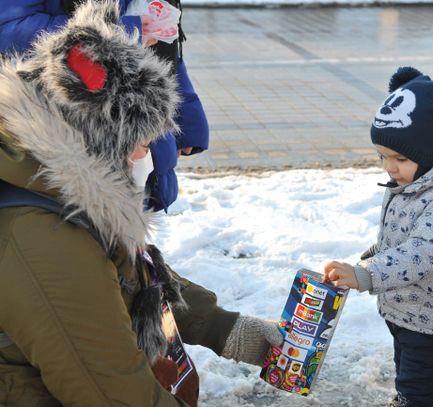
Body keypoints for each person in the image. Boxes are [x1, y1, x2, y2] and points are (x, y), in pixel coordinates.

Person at [0, 2, 281, 406]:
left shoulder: (57, 187)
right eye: (140, 140)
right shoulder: (42, 235)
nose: (143, 155)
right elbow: (112, 390)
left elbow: (132, 277)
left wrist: (226, 330)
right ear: (98, 136)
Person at [323, 67, 433, 407]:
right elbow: (401, 239)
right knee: (409, 383)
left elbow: (420, 253)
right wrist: (367, 259)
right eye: (383, 157)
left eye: (400, 158)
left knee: (421, 392)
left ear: (431, 150)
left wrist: (366, 275)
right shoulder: (417, 179)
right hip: (408, 312)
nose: (389, 168)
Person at [0, 0, 209, 212]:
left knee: (128, 223)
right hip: (67, 128)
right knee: (78, 227)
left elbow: (164, 46)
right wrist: (121, 29)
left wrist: (186, 115)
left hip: (136, 132)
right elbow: (10, 30)